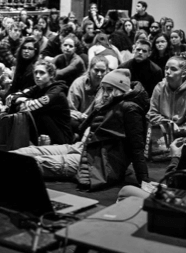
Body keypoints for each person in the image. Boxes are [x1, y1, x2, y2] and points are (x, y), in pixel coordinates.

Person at [13, 68, 150, 189]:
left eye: (110, 89)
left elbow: (137, 146)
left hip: (101, 160)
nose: (106, 93)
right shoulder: (107, 103)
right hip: (83, 146)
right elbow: (82, 128)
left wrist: (144, 180)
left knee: (40, 163)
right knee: (31, 151)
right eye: (104, 88)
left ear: (121, 90)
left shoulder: (130, 109)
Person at [5, 59, 73, 145]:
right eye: (35, 72)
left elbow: (29, 108)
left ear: (51, 75)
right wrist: (22, 101)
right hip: (45, 132)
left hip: (62, 137)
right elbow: (10, 97)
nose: (37, 76)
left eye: (42, 73)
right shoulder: (37, 88)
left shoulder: (56, 93)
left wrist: (22, 101)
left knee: (38, 114)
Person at [147, 56, 186, 156]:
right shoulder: (159, 88)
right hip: (162, 136)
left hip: (185, 137)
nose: (167, 72)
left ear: (184, 73)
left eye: (173, 69)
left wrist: (179, 130)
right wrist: (169, 124)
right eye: (166, 68)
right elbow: (152, 114)